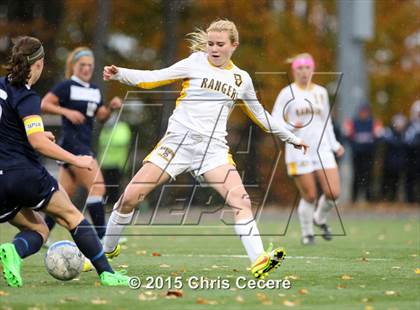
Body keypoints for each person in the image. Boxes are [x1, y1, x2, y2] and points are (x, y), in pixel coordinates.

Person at [101, 19, 308, 279]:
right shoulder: (195, 62)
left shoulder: (241, 79)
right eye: (210, 43)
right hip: (177, 144)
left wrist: (291, 138)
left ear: (234, 45)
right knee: (130, 198)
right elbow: (153, 78)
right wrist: (120, 73)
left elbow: (261, 115)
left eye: (220, 44)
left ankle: (258, 260)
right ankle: (106, 251)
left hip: (213, 151)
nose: (214, 49)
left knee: (240, 200)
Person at [0, 36, 129, 287]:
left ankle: (14, 251)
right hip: (23, 173)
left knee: (39, 230)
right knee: (72, 216)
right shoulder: (28, 96)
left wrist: (31, 136)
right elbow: (38, 142)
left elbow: (11, 132)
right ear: (38, 64)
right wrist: (76, 160)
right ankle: (107, 272)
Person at [41, 47, 122, 241]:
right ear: (74, 66)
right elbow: (45, 104)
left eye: (90, 66)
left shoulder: (94, 90)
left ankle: (40, 234)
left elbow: (101, 116)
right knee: (98, 187)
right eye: (82, 65)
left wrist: (110, 107)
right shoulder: (67, 86)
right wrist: (66, 112)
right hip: (73, 145)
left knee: (62, 197)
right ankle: (103, 236)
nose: (86, 69)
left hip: (82, 144)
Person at [272, 53, 344, 245]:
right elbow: (274, 120)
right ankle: (307, 233)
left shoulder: (320, 92)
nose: (304, 72)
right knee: (310, 195)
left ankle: (319, 218)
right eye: (300, 68)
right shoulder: (287, 93)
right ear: (294, 71)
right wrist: (289, 127)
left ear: (313, 70)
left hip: (322, 149)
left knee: (333, 193)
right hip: (298, 150)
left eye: (307, 68)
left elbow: (326, 121)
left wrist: (335, 144)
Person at [343, 104, 382, 202]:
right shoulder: (353, 122)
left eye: (365, 112)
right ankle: (354, 198)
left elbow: (379, 137)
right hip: (357, 155)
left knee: (369, 176)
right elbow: (347, 136)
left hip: (369, 154)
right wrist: (355, 145)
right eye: (362, 112)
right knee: (356, 176)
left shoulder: (373, 122)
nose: (364, 114)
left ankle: (369, 198)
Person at [98, 112, 132, 204]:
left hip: (118, 163)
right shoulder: (106, 128)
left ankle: (116, 203)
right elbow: (102, 142)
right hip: (106, 163)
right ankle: (109, 203)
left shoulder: (122, 127)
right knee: (107, 185)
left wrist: (109, 143)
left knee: (117, 185)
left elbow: (122, 141)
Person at [381, 113, 408, 202]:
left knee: (398, 183)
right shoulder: (389, 134)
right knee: (388, 183)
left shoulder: (405, 135)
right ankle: (386, 199)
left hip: (400, 164)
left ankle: (395, 199)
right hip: (389, 164)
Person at [404, 100, 420, 203]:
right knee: (411, 180)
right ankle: (410, 200)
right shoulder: (410, 126)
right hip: (413, 159)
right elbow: (407, 141)